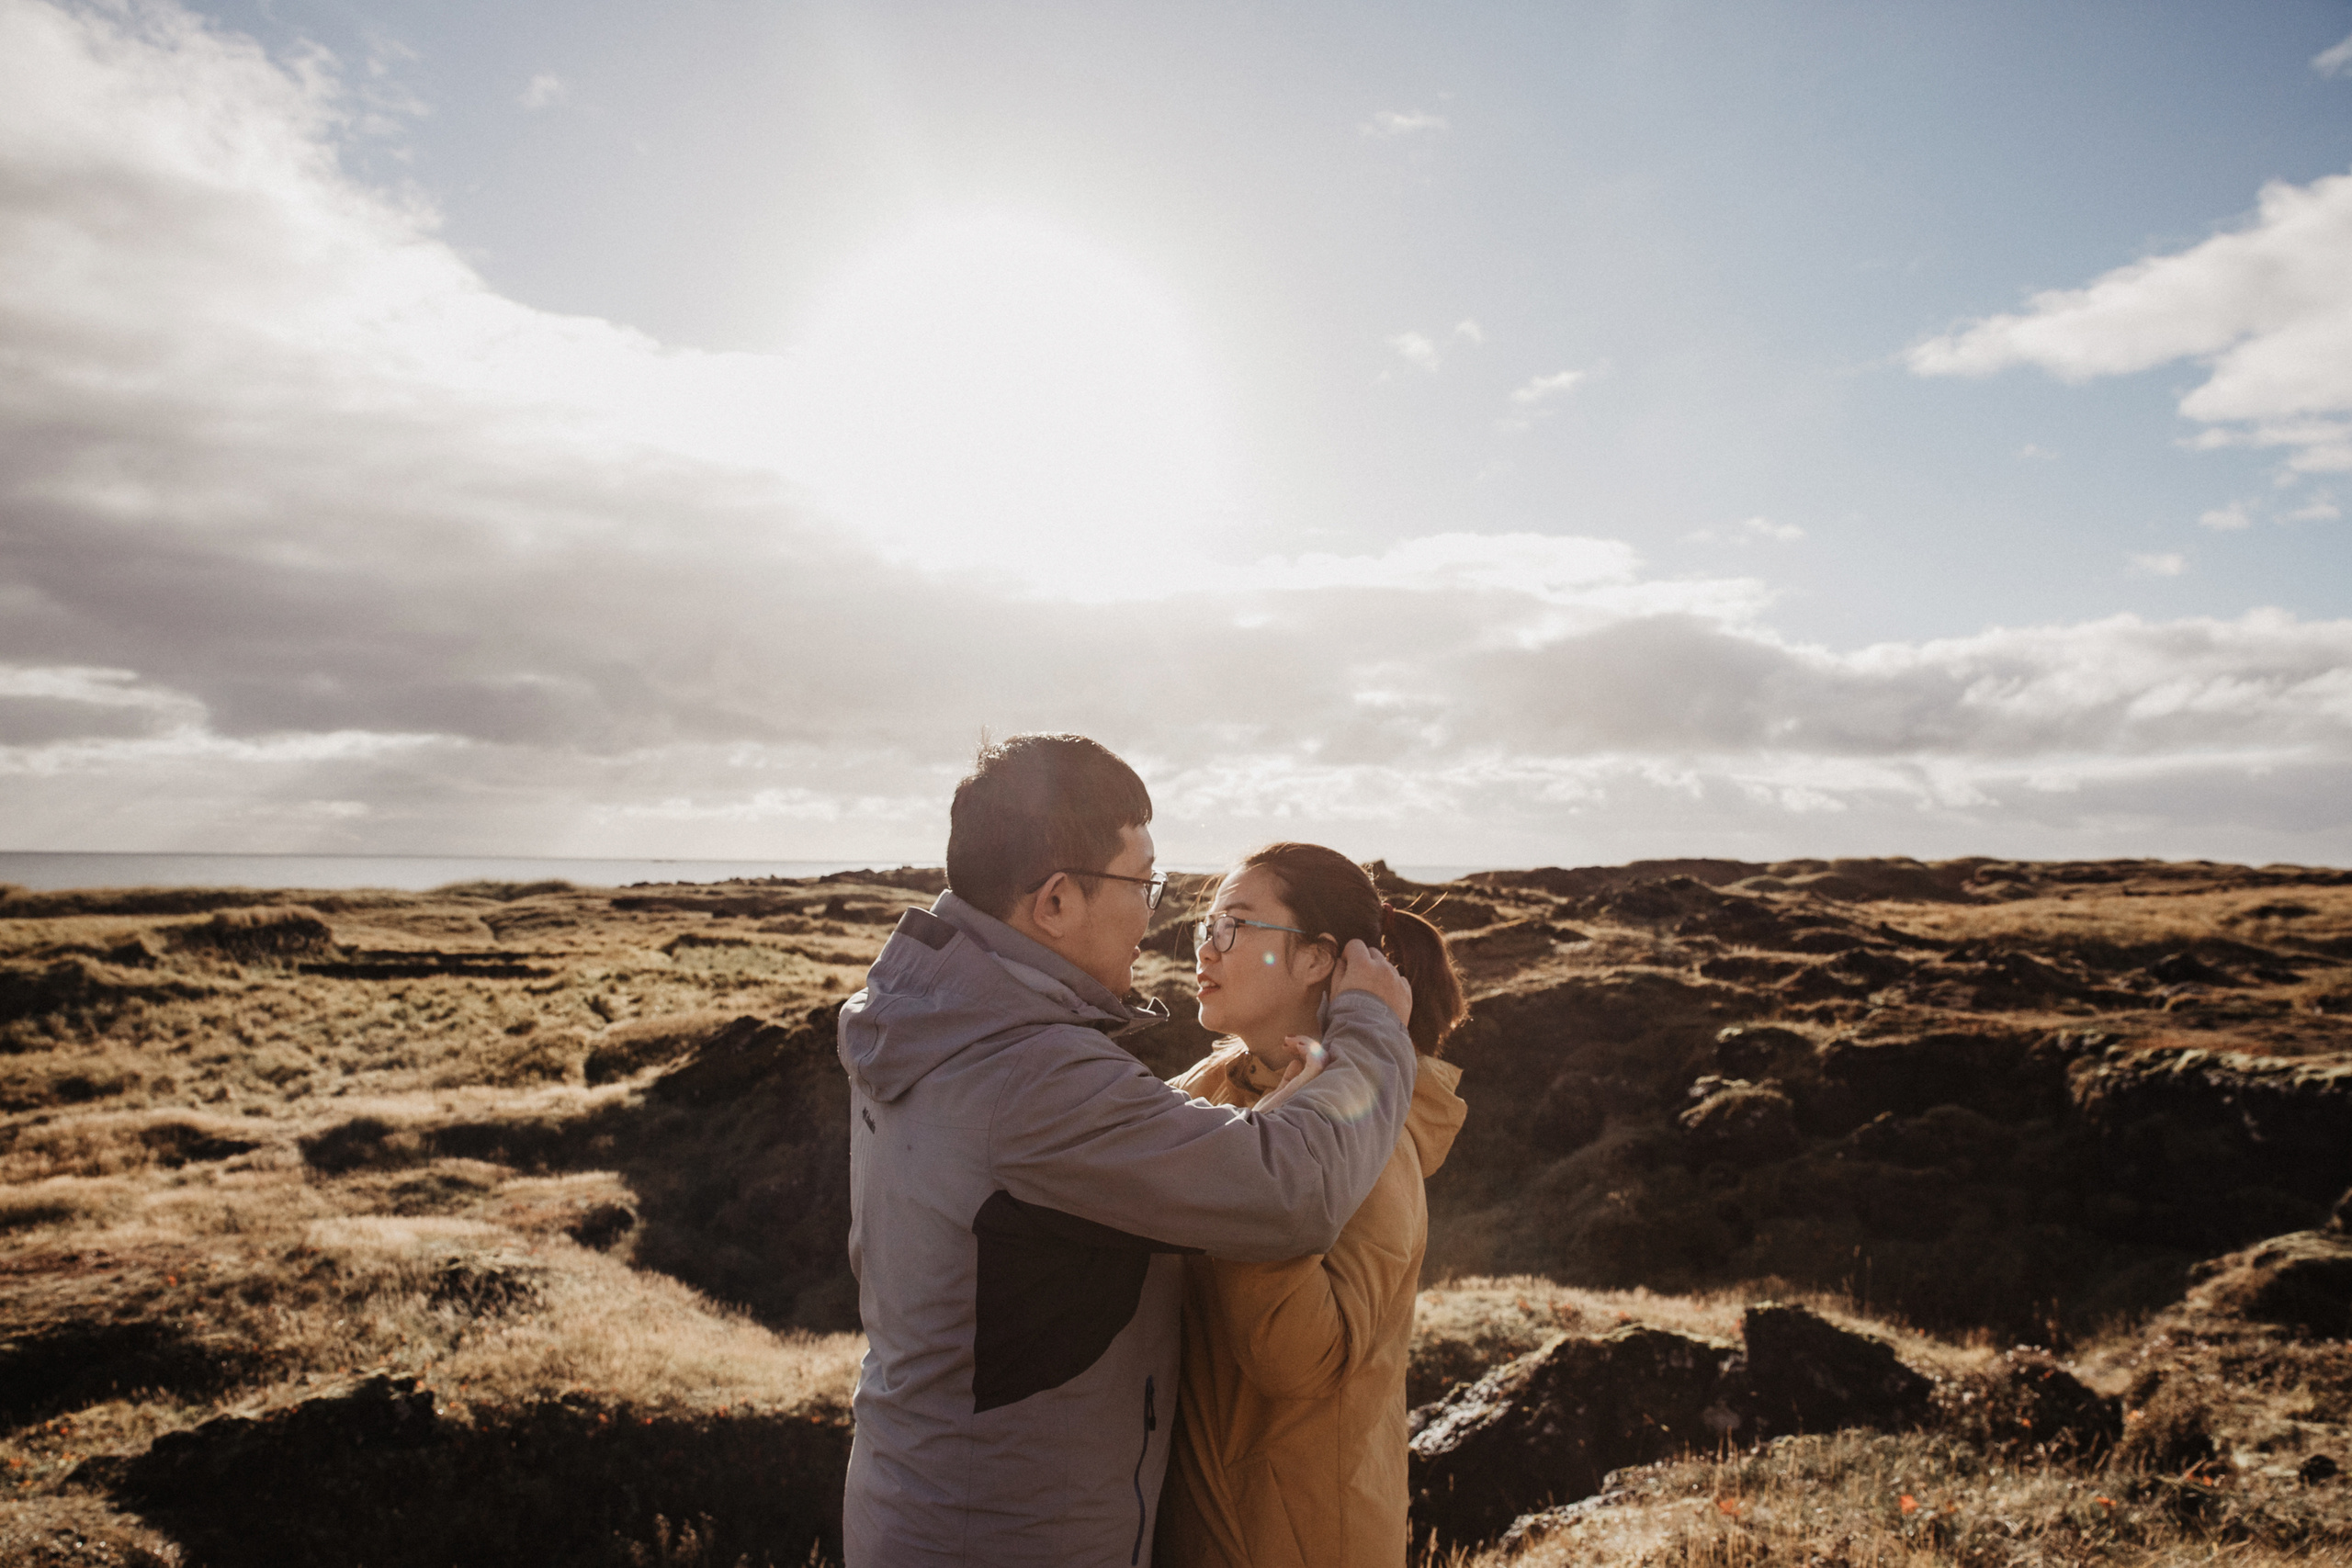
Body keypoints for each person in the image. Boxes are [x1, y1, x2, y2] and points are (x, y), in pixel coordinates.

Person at [837, 735, 1419, 1567]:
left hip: (949, 1503)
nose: (1160, 917)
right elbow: (1286, 1192)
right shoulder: (1027, 1077)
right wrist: (1370, 1029)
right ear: (1058, 901)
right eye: (1143, 882)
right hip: (1008, 1533)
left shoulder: (935, 1022)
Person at [1156, 841, 1469, 1568]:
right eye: (1206, 923)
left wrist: (1258, 1171)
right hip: (1195, 1525)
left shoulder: (1374, 1143)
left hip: (1297, 1541)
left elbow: (1298, 1358)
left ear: (1317, 958)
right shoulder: (1219, 1082)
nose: (1206, 944)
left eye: (1234, 923)